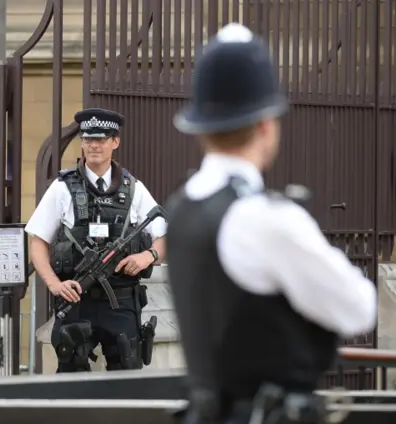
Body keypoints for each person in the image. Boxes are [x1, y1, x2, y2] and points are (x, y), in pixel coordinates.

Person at [166, 23, 377, 423]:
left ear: (200, 129)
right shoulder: (263, 218)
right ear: (266, 124)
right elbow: (358, 309)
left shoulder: (181, 206)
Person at [25, 107, 167, 372]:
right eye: (88, 139)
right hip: (78, 299)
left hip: (122, 299)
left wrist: (148, 256)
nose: (93, 145)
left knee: (127, 376)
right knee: (72, 379)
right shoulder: (63, 187)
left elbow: (165, 235)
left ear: (115, 142)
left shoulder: (132, 188)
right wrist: (55, 284)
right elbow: (37, 241)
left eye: (101, 139)